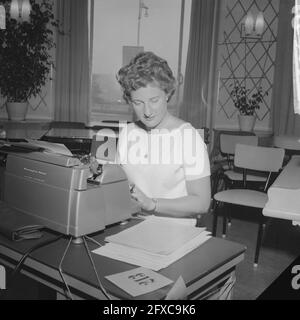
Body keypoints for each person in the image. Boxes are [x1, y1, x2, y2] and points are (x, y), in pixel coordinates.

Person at [116, 51, 211, 221]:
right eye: (138, 103)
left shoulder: (188, 137)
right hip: (130, 223)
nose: (147, 112)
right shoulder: (127, 132)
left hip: (174, 230)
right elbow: (120, 183)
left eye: (154, 100)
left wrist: (153, 205)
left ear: (167, 94)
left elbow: (202, 203)